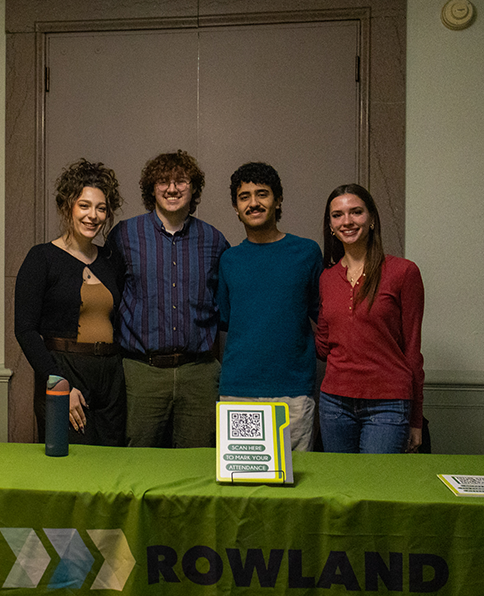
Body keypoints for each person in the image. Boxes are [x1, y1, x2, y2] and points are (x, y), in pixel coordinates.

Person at [107, 150, 229, 448]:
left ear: (193, 187)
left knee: (196, 464)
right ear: (152, 188)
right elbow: (108, 297)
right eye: (163, 181)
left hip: (199, 373)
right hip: (141, 372)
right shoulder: (125, 235)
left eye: (181, 181)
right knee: (138, 462)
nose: (172, 188)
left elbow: (225, 306)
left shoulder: (214, 241)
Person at [14, 159, 126, 446]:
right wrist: (59, 381)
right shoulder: (41, 258)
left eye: (101, 208)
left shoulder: (111, 261)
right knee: (71, 468)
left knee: (112, 466)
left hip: (110, 376)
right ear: (67, 206)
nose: (93, 216)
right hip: (64, 370)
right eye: (84, 205)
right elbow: (25, 330)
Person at [216, 162, 323, 451]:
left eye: (262, 194)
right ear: (236, 208)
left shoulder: (307, 252)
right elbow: (226, 319)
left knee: (296, 483)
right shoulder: (229, 260)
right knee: (244, 479)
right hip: (239, 389)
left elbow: (323, 314)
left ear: (277, 201)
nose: (254, 203)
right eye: (244, 196)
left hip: (294, 391)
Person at [316, 183, 424, 454]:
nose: (347, 221)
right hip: (334, 403)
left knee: (377, 489)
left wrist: (416, 419)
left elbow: (412, 349)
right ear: (330, 225)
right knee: (340, 488)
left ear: (372, 219)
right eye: (337, 215)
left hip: (387, 404)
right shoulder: (327, 278)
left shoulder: (403, 272)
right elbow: (324, 344)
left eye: (356, 212)